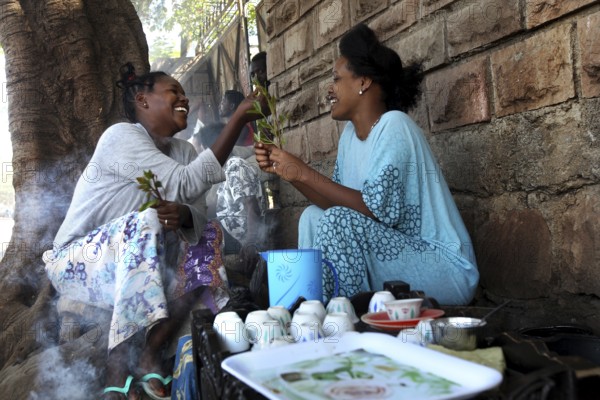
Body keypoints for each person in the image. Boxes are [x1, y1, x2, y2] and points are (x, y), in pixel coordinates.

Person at [43, 62, 267, 399]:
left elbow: (198, 213)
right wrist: (236, 120)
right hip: (78, 261)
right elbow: (184, 182)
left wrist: (184, 215)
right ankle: (117, 368)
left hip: (137, 258)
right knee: (147, 219)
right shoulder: (121, 136)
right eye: (173, 91)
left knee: (206, 234)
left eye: (184, 93)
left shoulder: (185, 152)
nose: (184, 98)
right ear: (142, 100)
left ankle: (153, 348)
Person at [254, 23, 479, 306]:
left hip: (443, 267)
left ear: (363, 82)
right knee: (313, 216)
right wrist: (288, 172)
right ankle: (312, 312)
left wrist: (300, 170)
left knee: (337, 222)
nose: (330, 89)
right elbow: (333, 202)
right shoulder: (349, 137)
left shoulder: (394, 126)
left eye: (336, 79)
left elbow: (374, 210)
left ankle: (345, 321)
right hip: (397, 259)